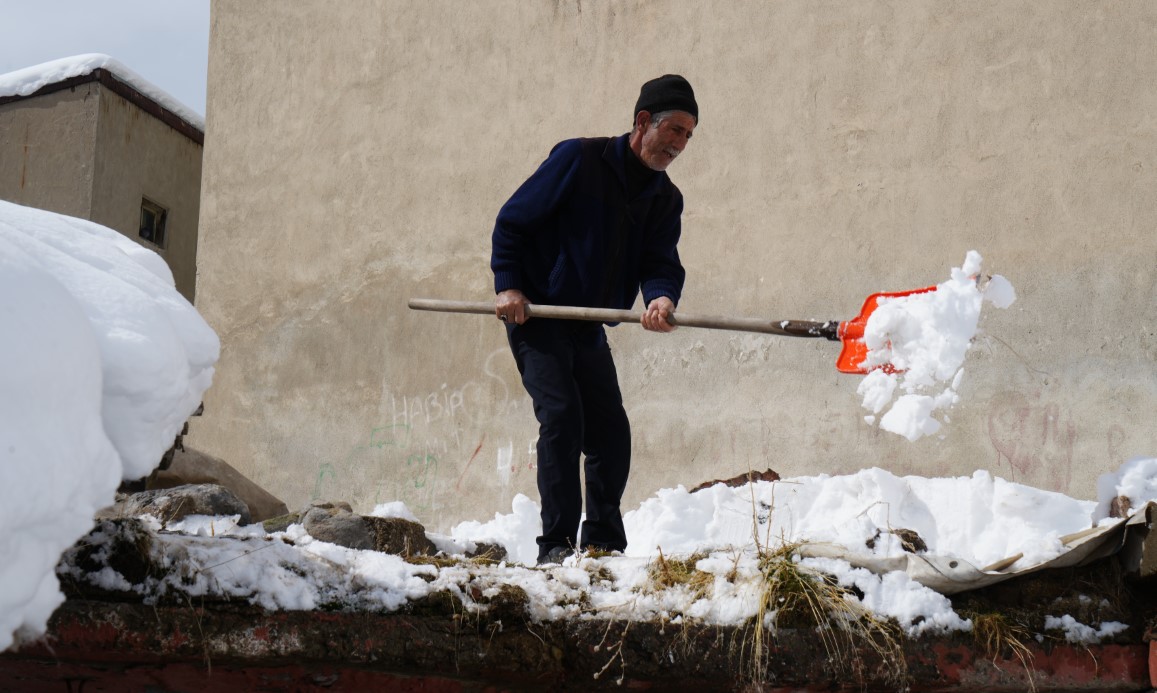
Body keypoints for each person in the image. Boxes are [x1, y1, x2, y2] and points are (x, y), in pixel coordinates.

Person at [490, 74, 698, 564]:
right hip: (537, 315)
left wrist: (662, 299)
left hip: (586, 324)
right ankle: (556, 546)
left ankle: (603, 544)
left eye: (689, 136)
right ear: (643, 121)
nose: (679, 144)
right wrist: (509, 285)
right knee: (562, 417)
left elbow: (660, 262)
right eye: (674, 130)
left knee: (609, 433)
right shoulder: (578, 160)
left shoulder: (666, 199)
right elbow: (512, 221)